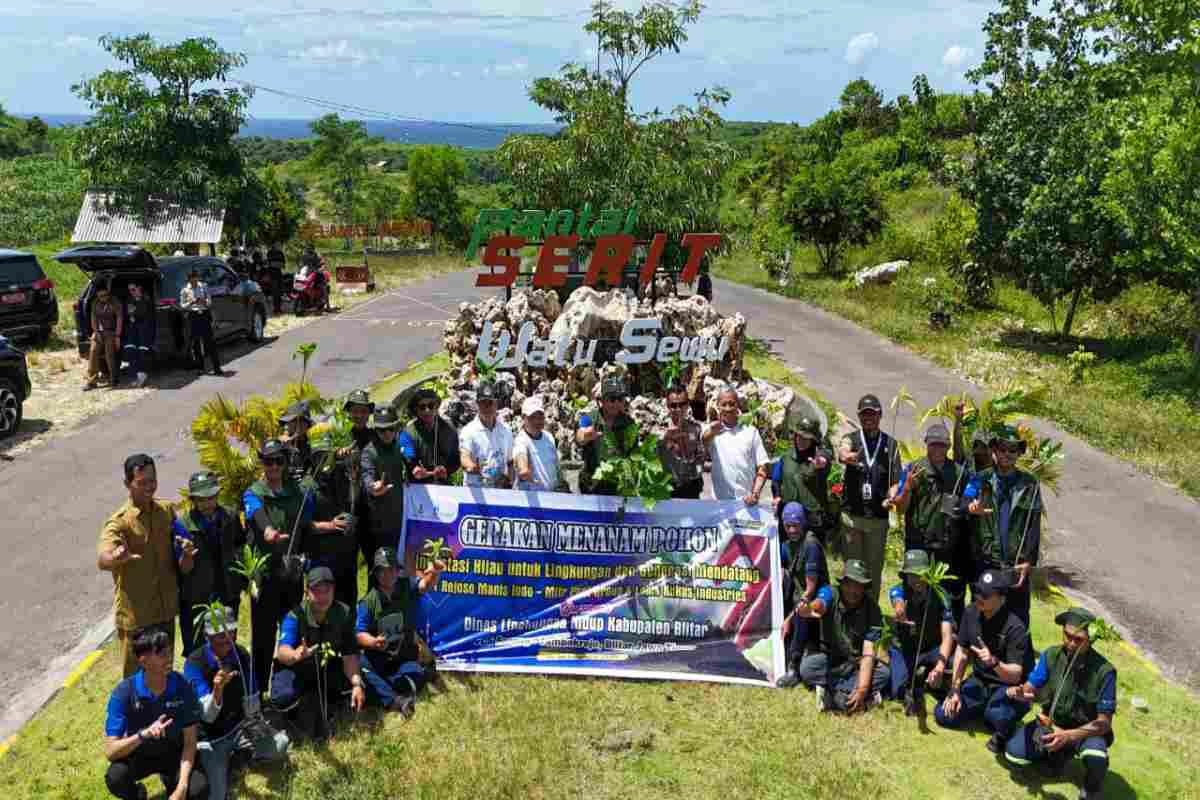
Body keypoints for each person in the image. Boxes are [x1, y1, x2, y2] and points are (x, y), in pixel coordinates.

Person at [1004, 608, 1117, 800]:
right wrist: (1021, 692)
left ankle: (1092, 787)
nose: (1071, 643)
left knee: (1097, 756)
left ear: (1091, 639)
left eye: (1078, 639)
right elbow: (1031, 687)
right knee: (1013, 755)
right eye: (1067, 635)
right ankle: (1056, 757)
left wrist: (1067, 736)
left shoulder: (1105, 672)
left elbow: (1104, 723)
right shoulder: (1051, 655)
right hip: (1050, 724)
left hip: (1086, 732)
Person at [185, 608, 289, 800]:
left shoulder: (241, 654)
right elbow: (206, 715)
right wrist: (217, 691)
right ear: (207, 636)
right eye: (218, 634)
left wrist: (255, 720)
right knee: (217, 795)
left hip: (239, 727)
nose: (226, 638)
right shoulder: (194, 664)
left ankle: (239, 754)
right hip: (212, 737)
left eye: (230, 632)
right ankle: (220, 760)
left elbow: (252, 698)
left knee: (280, 745)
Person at [103, 626, 208, 800]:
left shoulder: (182, 685)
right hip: (140, 753)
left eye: (168, 651)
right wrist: (143, 735)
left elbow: (190, 741)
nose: (169, 657)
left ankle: (171, 781)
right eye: (161, 653)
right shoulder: (124, 692)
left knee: (198, 790)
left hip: (174, 752)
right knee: (116, 777)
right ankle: (137, 795)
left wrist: (182, 787)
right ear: (143, 661)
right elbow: (110, 751)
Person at [934, 569, 1032, 754]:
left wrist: (994, 663)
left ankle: (1003, 721)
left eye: (986, 594)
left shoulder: (1016, 626)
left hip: (1006, 686)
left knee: (996, 717)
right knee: (943, 714)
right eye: (977, 590)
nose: (979, 596)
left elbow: (1015, 675)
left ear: (1001, 597)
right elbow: (962, 652)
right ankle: (983, 709)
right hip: (978, 681)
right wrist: (955, 689)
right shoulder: (971, 612)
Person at [99, 454, 179, 678]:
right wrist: (116, 557)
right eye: (142, 482)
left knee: (164, 676)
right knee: (136, 684)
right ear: (127, 484)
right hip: (138, 622)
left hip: (165, 614)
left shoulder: (167, 511)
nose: (149, 487)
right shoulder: (120, 522)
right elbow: (102, 559)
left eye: (152, 480)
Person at [243, 439, 314, 690]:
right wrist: (268, 531)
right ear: (262, 463)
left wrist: (305, 560)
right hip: (265, 578)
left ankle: (288, 687)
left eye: (278, 461)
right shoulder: (254, 492)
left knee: (292, 631)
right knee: (263, 637)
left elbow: (307, 526)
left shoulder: (298, 492)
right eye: (268, 461)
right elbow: (257, 515)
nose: (273, 466)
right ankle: (259, 691)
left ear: (285, 463)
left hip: (292, 575)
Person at [270, 567, 367, 740]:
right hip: (295, 669)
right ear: (307, 592)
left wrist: (356, 684)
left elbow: (350, 654)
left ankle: (318, 700)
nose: (322, 596)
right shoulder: (294, 616)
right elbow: (282, 652)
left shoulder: (343, 613)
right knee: (282, 699)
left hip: (324, 666)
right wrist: (296, 655)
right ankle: (297, 712)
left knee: (352, 682)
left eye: (327, 590)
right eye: (316, 590)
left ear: (333, 591)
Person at [963, 424, 1043, 630]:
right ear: (994, 451)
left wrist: (1028, 561)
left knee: (1018, 616)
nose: (1007, 454)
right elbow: (963, 504)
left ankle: (1017, 659)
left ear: (1018, 453)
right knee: (983, 611)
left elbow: (1034, 525)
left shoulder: (1030, 484)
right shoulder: (980, 479)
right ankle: (982, 656)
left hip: (1015, 564)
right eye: (1002, 448)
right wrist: (971, 508)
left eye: (1013, 450)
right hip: (987, 559)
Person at [886, 422, 969, 619]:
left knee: (944, 591)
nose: (937, 449)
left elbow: (969, 503)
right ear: (926, 444)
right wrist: (907, 488)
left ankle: (944, 631)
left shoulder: (959, 473)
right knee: (914, 588)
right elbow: (901, 507)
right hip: (918, 543)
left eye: (941, 444)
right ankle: (912, 625)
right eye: (933, 444)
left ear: (948, 446)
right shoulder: (913, 468)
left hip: (946, 545)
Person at [789, 560, 889, 713]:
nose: (853, 590)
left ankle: (834, 694)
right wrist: (809, 608)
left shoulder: (873, 610)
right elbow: (820, 603)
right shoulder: (830, 592)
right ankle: (856, 695)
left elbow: (869, 654)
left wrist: (862, 689)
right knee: (807, 668)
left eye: (858, 585)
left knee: (884, 674)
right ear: (842, 583)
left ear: (864, 588)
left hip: (856, 662)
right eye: (849, 584)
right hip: (829, 658)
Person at [356, 548, 443, 715]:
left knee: (408, 681)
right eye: (383, 570)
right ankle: (397, 701)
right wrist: (373, 642)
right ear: (377, 573)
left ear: (397, 570)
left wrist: (435, 572)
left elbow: (424, 585)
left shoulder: (406, 585)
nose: (388, 574)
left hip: (403, 657)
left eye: (392, 569)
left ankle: (413, 679)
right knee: (362, 669)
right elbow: (359, 633)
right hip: (379, 659)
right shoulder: (368, 602)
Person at [838, 393, 901, 606]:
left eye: (872, 414)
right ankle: (849, 609)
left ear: (880, 415)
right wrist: (847, 456)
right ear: (859, 415)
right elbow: (843, 450)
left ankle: (871, 613)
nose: (868, 418)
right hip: (852, 519)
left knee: (873, 569)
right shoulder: (853, 439)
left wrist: (892, 495)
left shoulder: (891, 445)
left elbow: (895, 481)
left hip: (878, 519)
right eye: (864, 414)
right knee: (852, 567)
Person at [173, 472, 247, 655]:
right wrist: (188, 555)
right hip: (197, 599)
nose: (206, 503)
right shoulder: (183, 525)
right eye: (201, 499)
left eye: (211, 497)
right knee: (198, 650)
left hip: (227, 594)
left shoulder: (229, 516)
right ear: (193, 500)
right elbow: (181, 568)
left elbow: (240, 545)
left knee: (227, 646)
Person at [887, 550, 957, 715]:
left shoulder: (941, 595)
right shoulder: (899, 590)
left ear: (928, 573)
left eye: (921, 574)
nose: (916, 579)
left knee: (950, 662)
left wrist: (940, 666)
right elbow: (896, 600)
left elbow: (947, 637)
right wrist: (899, 610)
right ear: (905, 575)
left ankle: (934, 676)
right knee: (897, 689)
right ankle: (914, 681)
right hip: (905, 649)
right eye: (911, 575)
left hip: (931, 647)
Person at [776, 503, 830, 688]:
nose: (791, 530)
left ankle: (794, 666)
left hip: (813, 601)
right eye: (788, 525)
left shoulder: (810, 545)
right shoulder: (786, 545)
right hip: (795, 597)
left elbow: (810, 589)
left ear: (803, 523)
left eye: (796, 525)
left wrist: (788, 619)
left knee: (801, 611)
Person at [702, 386, 771, 504]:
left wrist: (755, 494)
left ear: (738, 405)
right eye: (724, 404)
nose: (728, 408)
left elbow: (763, 466)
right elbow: (703, 440)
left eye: (731, 404)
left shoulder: (751, 432)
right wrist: (712, 432)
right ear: (718, 406)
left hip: (746, 502)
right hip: (718, 503)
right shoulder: (712, 431)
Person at [771, 416, 834, 535]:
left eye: (806, 438)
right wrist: (777, 496)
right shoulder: (785, 457)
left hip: (812, 518)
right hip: (790, 516)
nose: (801, 440)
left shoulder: (818, 457)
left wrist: (820, 463)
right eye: (799, 436)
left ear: (813, 440)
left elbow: (826, 457)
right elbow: (776, 480)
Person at [575, 376, 635, 496]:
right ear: (602, 401)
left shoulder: (628, 423)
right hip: (592, 484)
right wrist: (586, 436)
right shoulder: (589, 417)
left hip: (617, 485)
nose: (617, 403)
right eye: (612, 399)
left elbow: (633, 453)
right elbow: (580, 436)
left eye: (620, 399)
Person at [361, 407, 407, 554]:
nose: (387, 433)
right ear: (376, 430)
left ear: (396, 428)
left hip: (402, 517)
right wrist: (373, 487)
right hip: (379, 523)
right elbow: (366, 475)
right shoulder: (369, 452)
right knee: (381, 566)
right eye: (382, 430)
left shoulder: (401, 446)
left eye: (390, 429)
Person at [399, 387, 461, 485]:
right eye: (422, 407)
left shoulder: (449, 429)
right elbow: (408, 458)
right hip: (419, 487)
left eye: (431, 406)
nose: (427, 410)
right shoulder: (407, 433)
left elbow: (456, 460)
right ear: (416, 409)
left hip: (444, 486)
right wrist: (415, 468)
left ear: (437, 407)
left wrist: (446, 470)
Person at [461, 381, 515, 489]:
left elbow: (510, 463)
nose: (487, 407)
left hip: (499, 493)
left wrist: (510, 480)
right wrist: (471, 466)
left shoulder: (506, 430)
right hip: (476, 493)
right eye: (483, 403)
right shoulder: (468, 431)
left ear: (497, 404)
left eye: (490, 402)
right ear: (477, 404)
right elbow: (464, 457)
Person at [657, 383, 705, 499]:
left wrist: (697, 470)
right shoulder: (658, 429)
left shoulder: (696, 428)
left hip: (692, 487)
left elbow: (700, 458)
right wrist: (664, 439)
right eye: (673, 405)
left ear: (688, 405)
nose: (678, 409)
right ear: (667, 405)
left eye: (682, 404)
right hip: (668, 489)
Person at [180, 269, 225, 377]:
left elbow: (209, 302)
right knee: (196, 343)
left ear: (197, 277)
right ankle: (200, 367)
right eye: (191, 279)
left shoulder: (203, 287)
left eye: (195, 278)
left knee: (210, 342)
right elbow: (182, 305)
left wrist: (204, 301)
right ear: (189, 279)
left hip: (203, 314)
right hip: (193, 315)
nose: (194, 281)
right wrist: (192, 302)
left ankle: (217, 367)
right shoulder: (185, 290)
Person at [514, 396, 560, 492]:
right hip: (532, 499)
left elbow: (555, 466)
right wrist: (523, 469)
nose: (537, 421)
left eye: (540, 416)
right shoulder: (521, 440)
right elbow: (520, 455)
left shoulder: (549, 437)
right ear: (523, 418)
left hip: (552, 497)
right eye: (532, 417)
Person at [85, 281, 124, 390]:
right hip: (98, 332)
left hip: (111, 332)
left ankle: (113, 379)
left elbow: (119, 318)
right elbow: (93, 318)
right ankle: (91, 381)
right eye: (101, 296)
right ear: (97, 295)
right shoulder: (95, 303)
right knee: (93, 352)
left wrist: (117, 335)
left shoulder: (115, 302)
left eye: (106, 295)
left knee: (109, 354)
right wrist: (96, 332)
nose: (103, 297)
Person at [123, 282, 156, 388]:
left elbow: (143, 314)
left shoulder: (147, 300)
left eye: (133, 289)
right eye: (130, 290)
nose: (131, 292)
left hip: (145, 329)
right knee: (130, 350)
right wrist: (133, 314)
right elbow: (129, 314)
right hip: (133, 330)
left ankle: (142, 376)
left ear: (139, 288)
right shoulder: (129, 300)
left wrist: (134, 313)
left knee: (143, 351)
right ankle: (135, 376)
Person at [279, 401, 316, 486]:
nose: (292, 425)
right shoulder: (283, 444)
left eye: (299, 421)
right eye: (291, 421)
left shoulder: (313, 445)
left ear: (306, 424)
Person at [266, 243, 286, 315]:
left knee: (280, 292)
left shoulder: (280, 253)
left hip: (279, 273)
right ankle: (275, 309)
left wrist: (275, 264)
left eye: (278, 245)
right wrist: (276, 264)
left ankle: (279, 308)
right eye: (277, 244)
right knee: (275, 292)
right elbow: (269, 263)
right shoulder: (270, 253)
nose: (278, 246)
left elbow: (283, 265)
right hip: (272, 274)